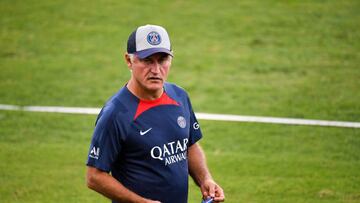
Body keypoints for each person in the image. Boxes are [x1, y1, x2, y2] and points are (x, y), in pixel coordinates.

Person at [86, 24, 225, 203]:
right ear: (129, 60)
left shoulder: (179, 96)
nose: (156, 70)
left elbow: (189, 146)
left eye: (163, 60)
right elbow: (94, 176)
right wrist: (141, 202)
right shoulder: (116, 114)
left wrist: (205, 179)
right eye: (147, 60)